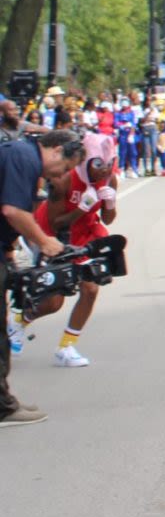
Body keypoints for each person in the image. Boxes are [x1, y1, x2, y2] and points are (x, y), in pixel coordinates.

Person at [2, 131, 85, 427]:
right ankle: (2, 408)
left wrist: (9, 250)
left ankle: (3, 404)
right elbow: (12, 210)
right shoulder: (23, 157)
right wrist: (44, 241)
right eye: (63, 169)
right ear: (56, 150)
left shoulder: (21, 156)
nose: (59, 176)